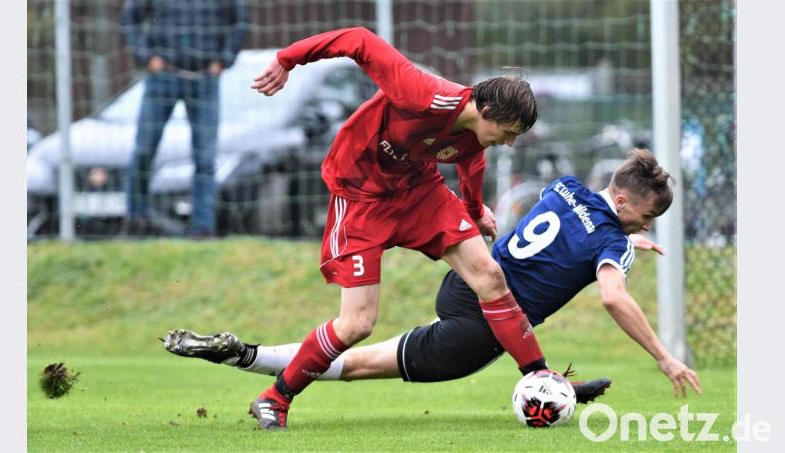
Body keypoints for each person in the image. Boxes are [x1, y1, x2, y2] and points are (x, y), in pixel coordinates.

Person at [163, 149, 701, 424]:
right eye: (647, 216)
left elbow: (573, 235)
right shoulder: (613, 241)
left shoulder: (564, 189)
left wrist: (621, 236)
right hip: (485, 325)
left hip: (465, 284)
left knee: (377, 351)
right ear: (624, 202)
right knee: (361, 363)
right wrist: (664, 356)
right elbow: (612, 295)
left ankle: (549, 384)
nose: (646, 225)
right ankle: (247, 356)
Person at [242, 27, 546, 430]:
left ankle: (540, 378)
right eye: (508, 134)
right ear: (487, 111)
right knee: (357, 324)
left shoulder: (477, 135)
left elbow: (471, 164)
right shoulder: (422, 92)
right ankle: (276, 397)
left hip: (417, 190)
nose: (509, 144)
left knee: (489, 275)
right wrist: (288, 59)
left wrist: (474, 211)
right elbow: (359, 39)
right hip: (361, 196)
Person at [119, 0, 248, 237]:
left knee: (205, 158)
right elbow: (129, 19)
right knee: (144, 150)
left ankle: (202, 228)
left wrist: (224, 59)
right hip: (162, 77)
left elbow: (240, 21)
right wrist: (145, 56)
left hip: (205, 79)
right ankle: (136, 220)